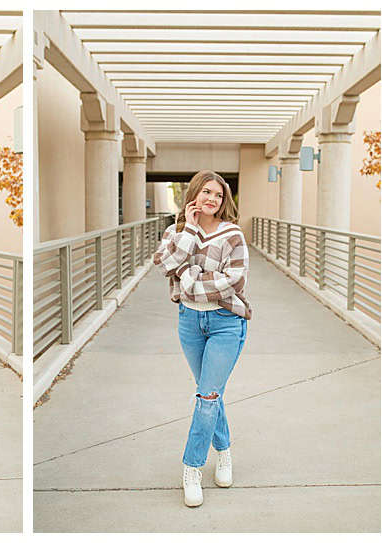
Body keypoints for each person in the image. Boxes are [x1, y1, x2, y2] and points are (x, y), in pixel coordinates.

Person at [152, 170, 250, 507]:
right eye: (206, 192)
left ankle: (191, 468)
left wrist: (190, 277)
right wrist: (191, 231)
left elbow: (234, 281)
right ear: (194, 193)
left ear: (224, 202)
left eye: (218, 195)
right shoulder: (176, 232)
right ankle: (223, 451)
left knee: (207, 396)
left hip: (225, 321)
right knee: (209, 392)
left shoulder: (232, 235)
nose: (212, 199)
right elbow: (165, 265)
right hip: (189, 322)